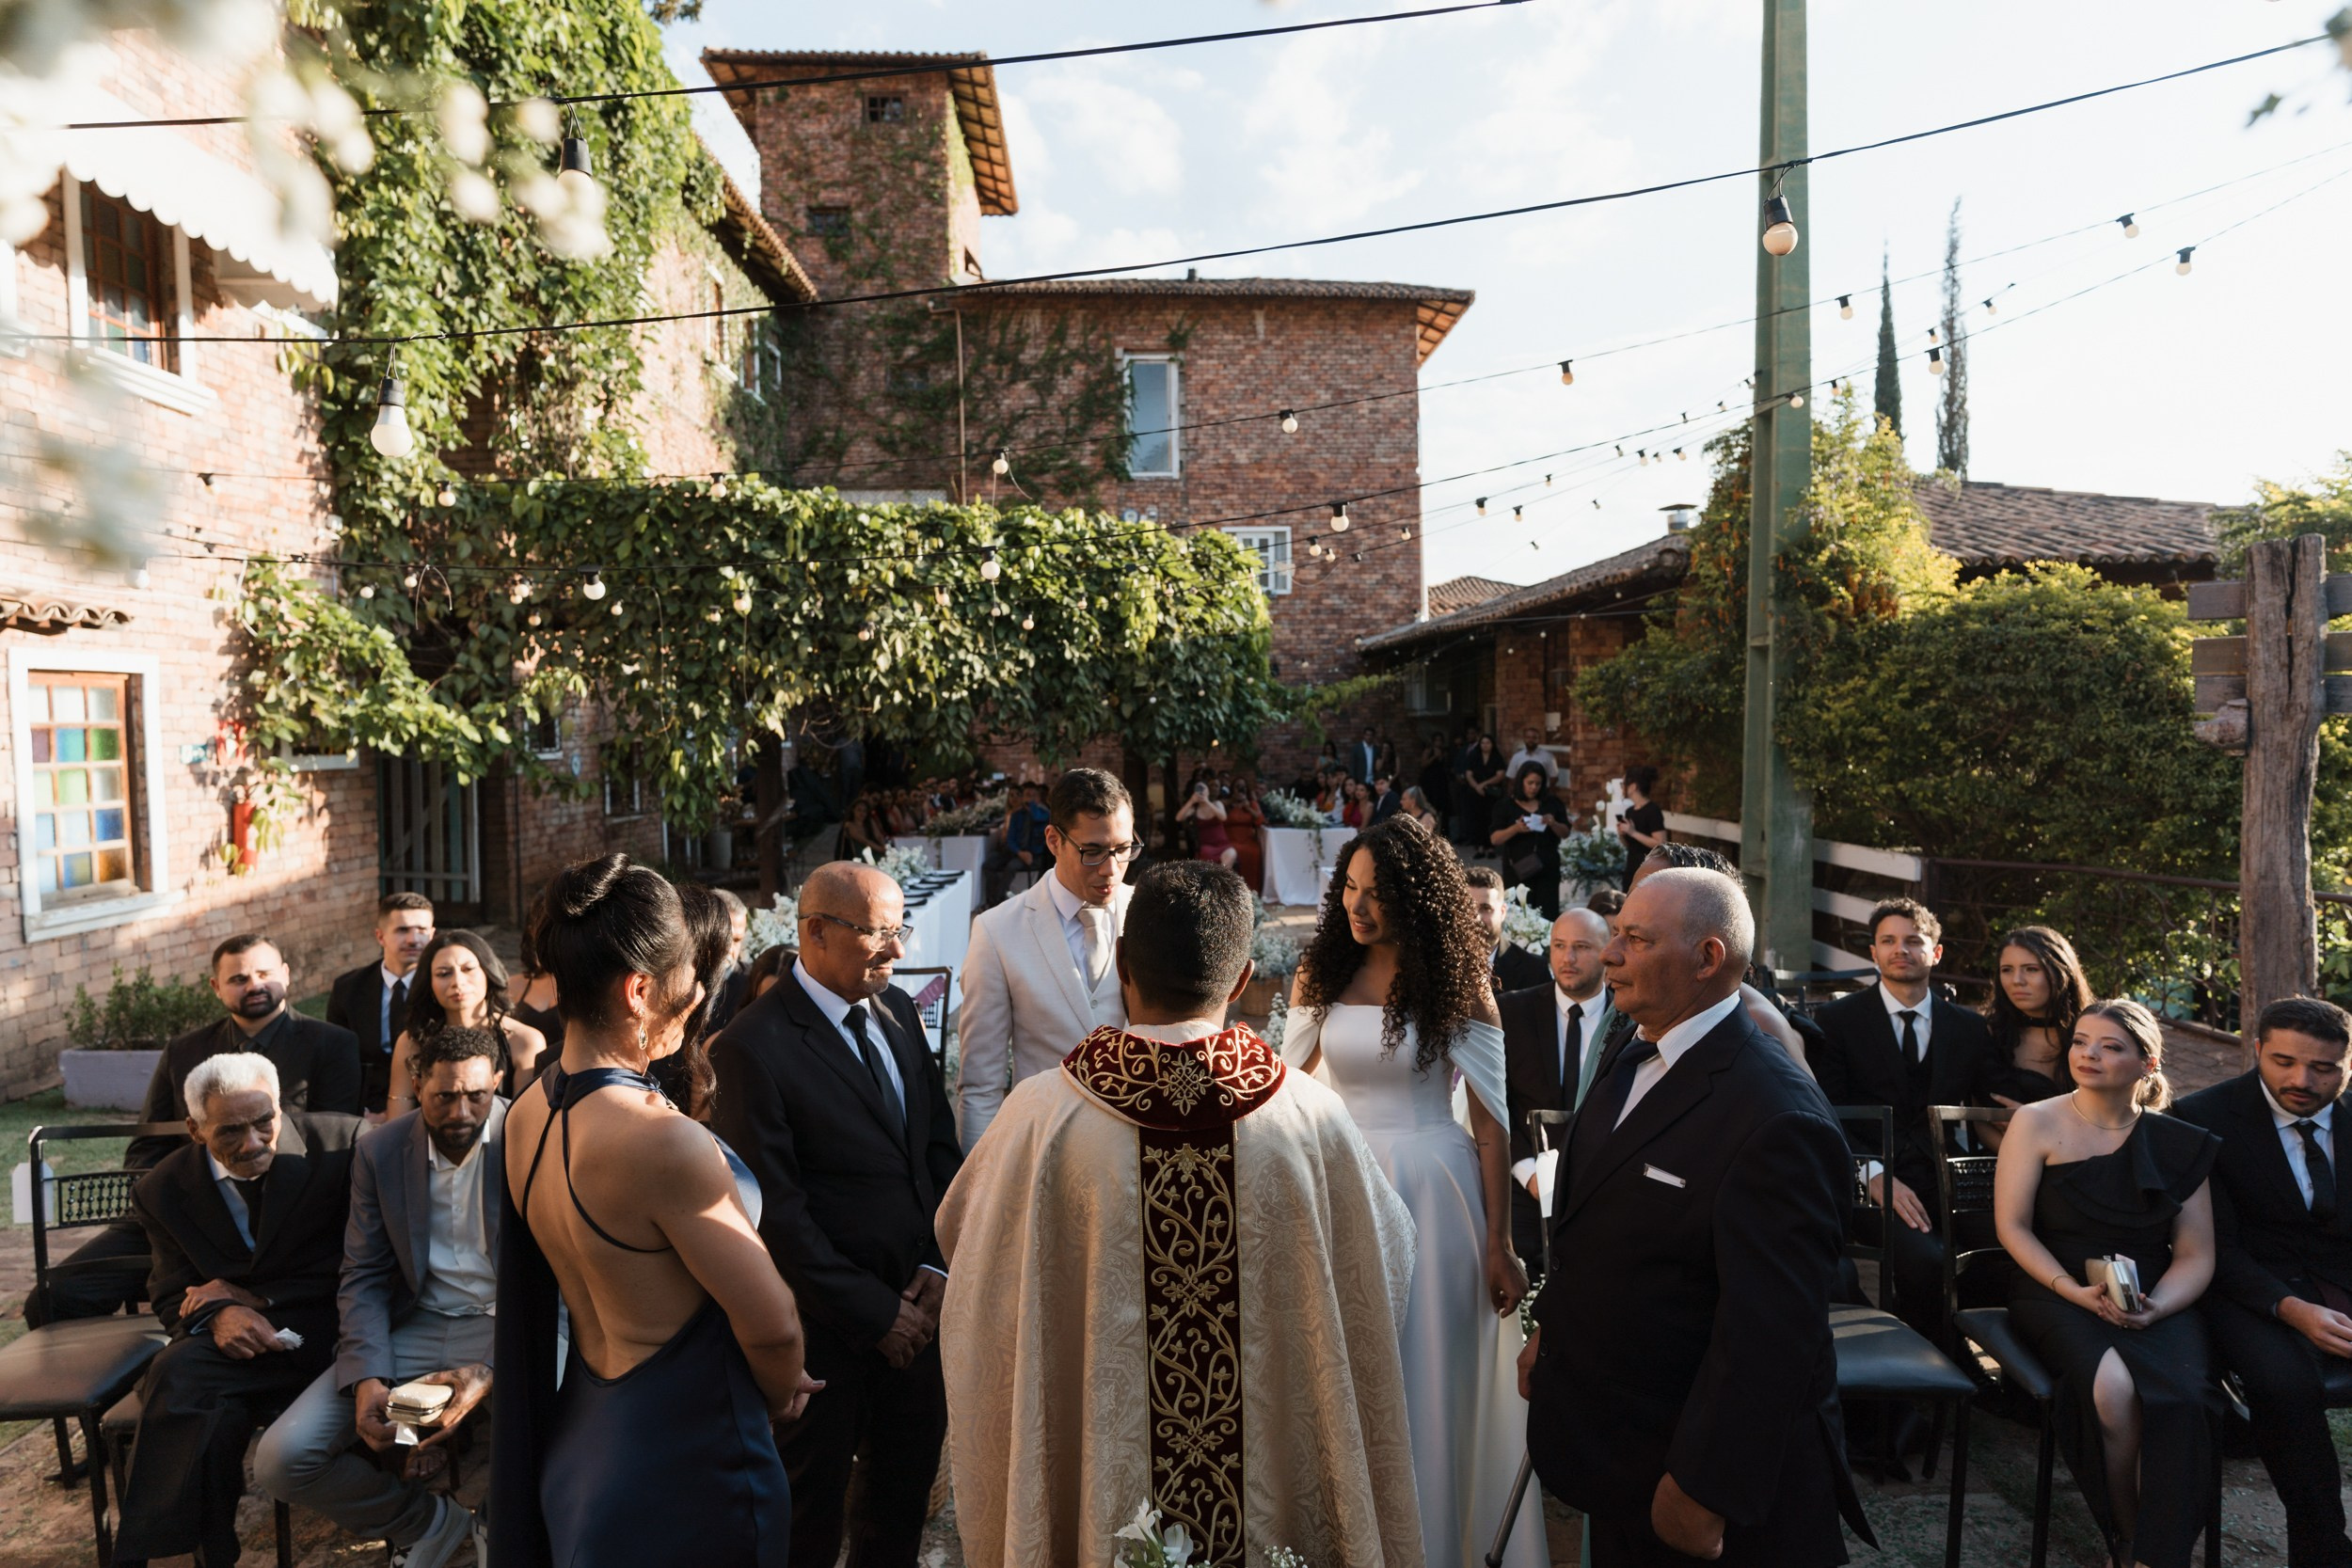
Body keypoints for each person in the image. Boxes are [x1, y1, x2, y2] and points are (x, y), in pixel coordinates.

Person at [940, 861, 1422, 1565]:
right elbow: (1386, 1261)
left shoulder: (1040, 1117)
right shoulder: (1311, 1117)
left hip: (1097, 1493)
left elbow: (967, 1249)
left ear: (1122, 968)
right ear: (1242, 978)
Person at [1520, 869, 1868, 1568]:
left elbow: (1771, 1331)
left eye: (1636, 939)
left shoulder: (1778, 1117)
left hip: (1691, 1482)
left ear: (1708, 958)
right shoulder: (1636, 1045)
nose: (1610, 953)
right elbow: (1600, 1219)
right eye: (1616, 934)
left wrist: (1706, 1488)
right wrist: (1553, 1327)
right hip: (1619, 1451)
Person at [492, 854, 817, 1568]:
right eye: (687, 977)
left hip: (581, 1449)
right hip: (688, 1468)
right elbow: (773, 1326)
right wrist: (771, 1396)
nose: (698, 994)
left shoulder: (525, 1114)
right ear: (640, 989)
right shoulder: (659, 1140)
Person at [1279, 816, 1540, 1568]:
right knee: (1347, 1373)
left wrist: (1500, 1244)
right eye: (1349, 888)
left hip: (1436, 1193)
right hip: (1340, 1185)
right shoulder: (1320, 974)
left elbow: (1492, 1125)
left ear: (1417, 898)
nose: (1358, 907)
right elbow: (1284, 1089)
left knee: (1427, 1374)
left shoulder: (1460, 985)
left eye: (1378, 893)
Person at [708, 863, 966, 1568]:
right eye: (877, 934)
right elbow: (775, 1216)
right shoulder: (751, 1046)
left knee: (899, 1509)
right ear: (816, 931)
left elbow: (936, 1151)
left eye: (899, 930)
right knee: (808, 1524)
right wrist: (878, 1314)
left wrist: (938, 1264)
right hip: (824, 1338)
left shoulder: (899, 1010)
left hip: (919, 1317)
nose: (898, 950)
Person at [254, 1027, 505, 1568]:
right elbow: (364, 1272)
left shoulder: (535, 1139)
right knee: (283, 1459)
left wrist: (489, 1367)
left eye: (477, 1095)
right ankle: (427, 1524)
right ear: (416, 1084)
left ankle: (500, 1524)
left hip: (512, 1325)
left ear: (498, 1082)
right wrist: (368, 1374)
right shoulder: (380, 1150)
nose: (462, 1112)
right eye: (444, 1096)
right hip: (417, 1324)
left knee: (553, 1421)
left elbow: (560, 1275)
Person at [113, 1053, 363, 1568]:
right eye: (230, 1131)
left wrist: (261, 1300)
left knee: (183, 1384)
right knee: (192, 1383)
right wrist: (221, 1315)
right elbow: (171, 1293)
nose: (252, 1143)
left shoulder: (344, 1145)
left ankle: (164, 1556)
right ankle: (195, 1553)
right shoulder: (161, 1190)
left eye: (263, 1122)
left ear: (280, 1108)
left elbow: (367, 1261)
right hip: (235, 1349)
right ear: (194, 1129)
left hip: (331, 1328)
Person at [1994, 998, 2218, 1568]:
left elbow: (2196, 1255)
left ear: (2148, 1064)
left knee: (2184, 1397)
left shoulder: (2179, 1141)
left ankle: (2159, 1553)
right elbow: (2013, 1228)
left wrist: (2157, 1307)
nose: (2088, 1054)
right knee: (2113, 1392)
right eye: (2081, 1041)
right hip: (2052, 1285)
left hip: (2152, 1295)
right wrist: (2070, 1289)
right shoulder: (2035, 1121)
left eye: (2110, 1046)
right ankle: (2129, 1536)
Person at [2172, 996, 2352, 1568]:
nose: (2301, 1080)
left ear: (2348, 1065)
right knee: (2284, 1384)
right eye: (2284, 1061)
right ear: (2256, 1051)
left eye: (2323, 1068)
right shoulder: (2200, 1116)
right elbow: (2212, 1247)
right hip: (2247, 1289)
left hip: (2340, 1278)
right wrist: (2291, 1308)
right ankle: (2323, 1550)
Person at [1812, 898, 2002, 1336]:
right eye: (1888, 941)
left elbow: (1993, 1101)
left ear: (1936, 953)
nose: (1901, 949)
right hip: (1868, 1176)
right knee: (1928, 1261)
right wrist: (1872, 1173)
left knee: (2001, 1250)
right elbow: (1824, 1112)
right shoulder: (1838, 1020)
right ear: (1874, 952)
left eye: (1914, 941)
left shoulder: (1969, 1028)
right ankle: (1926, 1356)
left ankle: (1967, 1349)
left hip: (1945, 1174)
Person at [957, 768, 1140, 1149]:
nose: (1111, 869)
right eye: (1092, 852)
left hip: (1136, 1146)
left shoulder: (1148, 912)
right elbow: (981, 1083)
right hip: (1044, 1149)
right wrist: (981, 1175)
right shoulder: (997, 931)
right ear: (1054, 840)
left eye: (1123, 849)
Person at [1502, 908, 1618, 1267]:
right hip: (1524, 1185)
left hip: (1606, 1187)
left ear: (1607, 951)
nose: (1567, 958)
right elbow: (1493, 1102)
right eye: (1559, 946)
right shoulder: (1512, 1011)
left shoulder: (1631, 1019)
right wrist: (1529, 1172)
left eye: (1581, 947)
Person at [383, 930, 548, 1118]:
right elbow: (397, 1120)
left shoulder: (524, 1041)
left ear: (487, 971)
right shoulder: (411, 1041)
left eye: (468, 969)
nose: (457, 982)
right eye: (443, 974)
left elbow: (525, 1122)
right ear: (429, 983)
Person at [326, 892, 437, 1114]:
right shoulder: (348, 989)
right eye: (402, 930)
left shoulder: (441, 987)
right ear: (380, 936)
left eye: (421, 930)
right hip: (363, 1104)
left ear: (432, 935)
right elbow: (337, 1059)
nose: (413, 939)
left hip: (427, 1101)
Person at [1985, 924, 2093, 1116]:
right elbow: (1978, 1119)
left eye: (2031, 969)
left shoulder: (2096, 1034)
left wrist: (2034, 1121)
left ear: (2061, 971)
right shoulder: (1989, 1034)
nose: (2017, 980)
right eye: (2007, 970)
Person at [1491, 762, 1568, 921]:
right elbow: (1495, 838)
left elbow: (1565, 832)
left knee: (1547, 914)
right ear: (1521, 782)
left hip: (1547, 868)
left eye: (1538, 784)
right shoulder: (1506, 805)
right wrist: (1515, 829)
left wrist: (1553, 823)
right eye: (1530, 783)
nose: (1534, 788)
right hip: (1518, 869)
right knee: (1519, 914)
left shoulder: (1551, 803)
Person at [1465, 864, 1550, 992]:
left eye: (1485, 908)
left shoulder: (1534, 970)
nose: (1476, 918)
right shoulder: (1439, 963)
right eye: (1468, 908)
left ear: (1503, 912)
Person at [982, 780, 1051, 908]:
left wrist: (1032, 804)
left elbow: (1036, 817)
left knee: (1011, 866)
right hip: (1017, 852)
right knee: (989, 864)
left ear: (1038, 797)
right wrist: (1019, 852)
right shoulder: (1016, 815)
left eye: (1033, 795)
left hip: (1034, 855)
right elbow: (1011, 839)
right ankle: (991, 899)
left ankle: (997, 900)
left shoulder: (1044, 813)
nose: (1030, 798)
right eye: (1027, 795)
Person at [1613, 765, 1667, 888]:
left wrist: (1633, 832)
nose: (1622, 788)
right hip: (1632, 867)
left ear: (1633, 786)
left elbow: (1660, 843)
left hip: (1648, 869)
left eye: (1623, 784)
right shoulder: (1629, 811)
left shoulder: (1652, 810)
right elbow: (1630, 844)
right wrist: (1622, 834)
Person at [1457, 734, 1507, 848]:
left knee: (1491, 819)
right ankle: (1479, 846)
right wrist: (1477, 787)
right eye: (1483, 743)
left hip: (1491, 794)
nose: (1485, 745)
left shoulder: (1497, 757)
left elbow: (1500, 775)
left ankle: (1490, 847)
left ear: (1492, 744)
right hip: (1476, 794)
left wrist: (1484, 784)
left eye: (1488, 743)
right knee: (1477, 819)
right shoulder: (1474, 756)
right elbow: (1468, 774)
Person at [1177, 777, 1236, 869]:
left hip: (1223, 845)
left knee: (1231, 854)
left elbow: (1223, 817)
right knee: (1207, 858)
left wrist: (1207, 801)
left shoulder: (1217, 804)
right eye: (1198, 789)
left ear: (1208, 791)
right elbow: (1178, 818)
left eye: (1203, 789)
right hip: (1207, 846)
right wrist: (1191, 801)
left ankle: (1220, 876)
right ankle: (1218, 876)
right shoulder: (1194, 809)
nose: (1201, 792)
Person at [1226, 777, 1266, 893]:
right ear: (1232, 789)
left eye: (1242, 787)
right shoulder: (1227, 804)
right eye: (1237, 786)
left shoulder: (1251, 804)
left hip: (1248, 839)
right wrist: (1231, 804)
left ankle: (1251, 890)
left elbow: (1260, 821)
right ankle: (1232, 890)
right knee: (1235, 851)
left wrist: (1248, 807)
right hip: (1230, 839)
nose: (1240, 789)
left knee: (1253, 852)